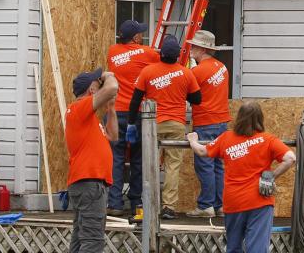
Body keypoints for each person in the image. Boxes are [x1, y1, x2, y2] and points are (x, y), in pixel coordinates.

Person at [187, 101, 296, 253]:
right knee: (257, 249)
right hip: (259, 201)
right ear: (260, 119)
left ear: (239, 118)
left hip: (234, 202)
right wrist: (271, 176)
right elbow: (290, 158)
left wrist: (192, 140)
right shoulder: (268, 139)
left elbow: (202, 152)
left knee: (234, 247)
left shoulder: (226, 138)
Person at [128, 35, 202, 219]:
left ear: (161, 54)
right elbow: (197, 99)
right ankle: (168, 207)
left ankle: (148, 203)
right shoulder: (186, 73)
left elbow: (135, 100)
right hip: (176, 124)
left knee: (150, 163)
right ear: (178, 56)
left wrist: (131, 123)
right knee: (172, 166)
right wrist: (180, 92)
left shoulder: (148, 71)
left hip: (153, 125)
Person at [105, 19, 160, 217]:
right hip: (138, 113)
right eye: (140, 34)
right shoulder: (147, 53)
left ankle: (114, 203)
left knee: (116, 158)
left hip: (116, 111)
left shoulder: (112, 51)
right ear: (136, 37)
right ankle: (137, 202)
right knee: (138, 157)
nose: (142, 36)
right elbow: (167, 60)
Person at [65, 67, 119, 253]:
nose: (101, 83)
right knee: (92, 240)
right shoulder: (78, 108)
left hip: (90, 184)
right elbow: (112, 88)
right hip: (89, 183)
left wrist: (111, 109)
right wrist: (109, 75)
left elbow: (113, 135)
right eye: (98, 82)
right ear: (92, 90)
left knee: (81, 239)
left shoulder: (89, 117)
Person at [186, 30, 232, 217]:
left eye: (193, 46)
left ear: (201, 48)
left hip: (205, 121)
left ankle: (206, 205)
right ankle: (220, 205)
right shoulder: (222, 67)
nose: (190, 49)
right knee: (218, 165)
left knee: (204, 164)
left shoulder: (197, 71)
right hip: (222, 120)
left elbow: (189, 95)